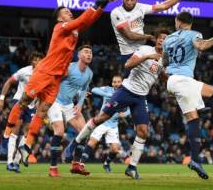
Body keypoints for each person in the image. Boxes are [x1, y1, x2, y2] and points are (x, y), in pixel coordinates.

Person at [5, 0, 109, 166]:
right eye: (66, 11)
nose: (70, 12)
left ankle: (26, 146)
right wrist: (93, 4)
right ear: (60, 18)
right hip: (45, 72)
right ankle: (8, 129)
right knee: (24, 101)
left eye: (70, 10)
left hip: (56, 78)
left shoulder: (73, 30)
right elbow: (81, 20)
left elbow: (87, 21)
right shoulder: (60, 27)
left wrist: (100, 7)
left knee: (42, 111)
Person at [70, 28, 169, 179]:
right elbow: (128, 65)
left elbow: (160, 73)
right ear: (156, 40)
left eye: (166, 39)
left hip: (141, 97)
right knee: (101, 118)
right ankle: (75, 143)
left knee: (143, 132)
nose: (162, 40)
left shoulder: (165, 59)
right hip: (126, 91)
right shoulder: (144, 49)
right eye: (160, 38)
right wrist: (148, 56)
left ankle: (132, 168)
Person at [163, 12, 213, 180]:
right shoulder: (194, 34)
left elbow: (164, 62)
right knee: (211, 98)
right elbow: (201, 46)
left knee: (205, 104)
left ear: (177, 22)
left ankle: (197, 159)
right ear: (190, 23)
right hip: (183, 80)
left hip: (173, 79)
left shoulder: (168, 39)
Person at [110, 0, 193, 68]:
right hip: (129, 53)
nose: (129, 2)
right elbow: (129, 35)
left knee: (155, 74)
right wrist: (148, 37)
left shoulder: (140, 7)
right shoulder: (116, 13)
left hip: (143, 50)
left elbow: (164, 6)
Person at [47, 45, 93, 177]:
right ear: (79, 55)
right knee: (60, 132)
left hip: (69, 104)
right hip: (55, 101)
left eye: (90, 53)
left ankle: (76, 164)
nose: (89, 54)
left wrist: (79, 104)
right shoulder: (69, 68)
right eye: (86, 52)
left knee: (85, 131)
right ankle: (53, 168)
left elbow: (84, 89)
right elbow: (53, 81)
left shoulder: (89, 73)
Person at [0, 51, 44, 173]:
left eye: (39, 59)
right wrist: (1, 99)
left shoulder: (44, 74)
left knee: (27, 133)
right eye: (35, 59)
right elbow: (9, 82)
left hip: (32, 105)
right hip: (19, 101)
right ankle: (9, 162)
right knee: (15, 131)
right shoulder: (24, 71)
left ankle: (17, 162)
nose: (37, 61)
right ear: (31, 61)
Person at [82, 75, 129, 173]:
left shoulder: (125, 94)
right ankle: (81, 164)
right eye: (114, 82)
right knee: (92, 142)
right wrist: (108, 95)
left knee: (115, 149)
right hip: (102, 122)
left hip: (113, 125)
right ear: (112, 83)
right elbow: (94, 89)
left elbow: (131, 108)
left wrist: (125, 114)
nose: (116, 84)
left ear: (122, 83)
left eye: (118, 82)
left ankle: (106, 163)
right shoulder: (108, 89)